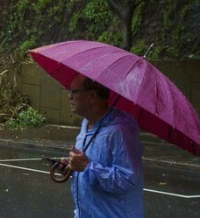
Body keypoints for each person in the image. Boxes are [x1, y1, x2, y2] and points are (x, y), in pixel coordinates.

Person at [62, 74, 144, 218]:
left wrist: (87, 167)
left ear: (92, 96)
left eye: (74, 91)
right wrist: (72, 167)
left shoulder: (120, 131)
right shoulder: (86, 123)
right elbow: (89, 165)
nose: (69, 96)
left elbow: (127, 179)